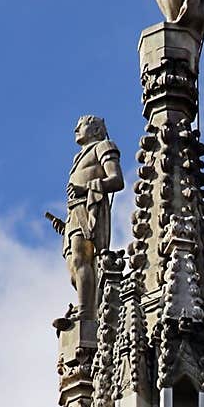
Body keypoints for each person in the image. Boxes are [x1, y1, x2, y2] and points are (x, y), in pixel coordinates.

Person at [45, 115, 124, 322]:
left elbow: (116, 180)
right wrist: (65, 225)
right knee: (73, 266)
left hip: (90, 210)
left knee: (82, 259)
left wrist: (85, 187)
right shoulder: (77, 158)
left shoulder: (104, 146)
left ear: (97, 130)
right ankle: (87, 306)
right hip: (75, 213)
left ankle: (86, 314)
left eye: (81, 126)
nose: (75, 129)